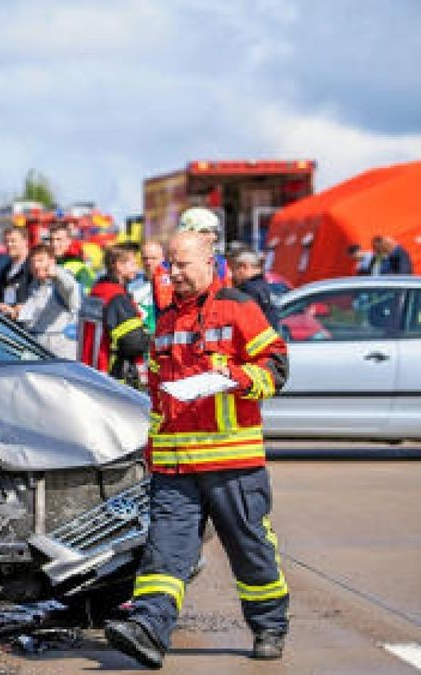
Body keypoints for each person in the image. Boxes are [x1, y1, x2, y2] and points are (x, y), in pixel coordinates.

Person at [105, 231, 290, 669]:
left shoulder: (239, 307)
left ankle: (269, 625)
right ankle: (149, 629)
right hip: (174, 466)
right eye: (170, 264)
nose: (174, 273)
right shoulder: (166, 319)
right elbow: (158, 393)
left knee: (249, 548)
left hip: (233, 462)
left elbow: (276, 366)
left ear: (211, 263)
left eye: (183, 264)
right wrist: (153, 449)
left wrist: (239, 379)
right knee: (164, 552)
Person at [86, 243, 150, 388]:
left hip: (92, 369)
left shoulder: (96, 290)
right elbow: (134, 343)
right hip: (115, 375)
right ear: (119, 266)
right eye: (133, 263)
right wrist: (149, 337)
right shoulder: (116, 296)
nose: (137, 268)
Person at [14, 244, 79, 358]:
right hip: (35, 343)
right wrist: (17, 312)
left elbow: (70, 288)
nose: (36, 265)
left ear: (52, 261)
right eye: (33, 262)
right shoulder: (34, 284)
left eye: (40, 261)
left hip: (58, 347)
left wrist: (57, 274)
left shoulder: (60, 281)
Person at [177, 207, 233, 286]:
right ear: (187, 232)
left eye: (214, 232)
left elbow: (227, 294)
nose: (213, 237)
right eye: (205, 231)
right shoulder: (167, 268)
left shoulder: (220, 263)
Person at [229, 246, 280, 328]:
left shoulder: (248, 289)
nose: (232, 275)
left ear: (244, 267)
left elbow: (243, 323)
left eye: (233, 270)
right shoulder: (264, 286)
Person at [0, 227, 34, 320]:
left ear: (25, 241)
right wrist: (0, 306)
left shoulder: (34, 268)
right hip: (8, 326)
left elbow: (41, 301)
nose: (9, 244)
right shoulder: (5, 270)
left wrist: (19, 311)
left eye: (13, 241)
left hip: (28, 329)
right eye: (7, 241)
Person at [49, 223, 95, 291]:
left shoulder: (82, 270)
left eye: (59, 240)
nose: (54, 244)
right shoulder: (47, 264)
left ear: (69, 241)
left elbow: (84, 297)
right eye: (51, 240)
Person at [142, 241, 175, 318]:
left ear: (162, 259)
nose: (148, 262)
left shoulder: (174, 281)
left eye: (153, 258)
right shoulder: (132, 285)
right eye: (145, 258)